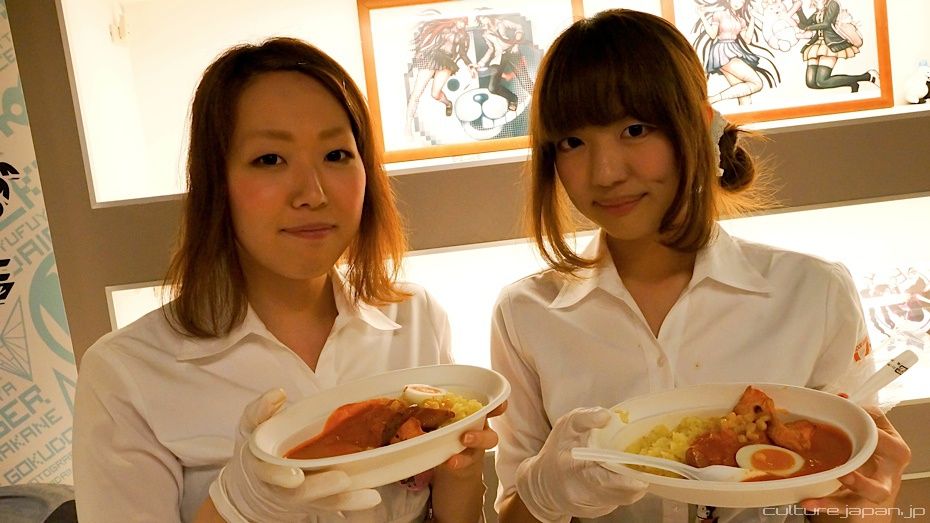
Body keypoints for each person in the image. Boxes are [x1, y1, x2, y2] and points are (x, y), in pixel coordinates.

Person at [490, 9, 910, 523]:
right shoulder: (525, 313)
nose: (605, 173)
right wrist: (547, 492)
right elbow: (512, 510)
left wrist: (868, 509)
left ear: (699, 124)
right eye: (572, 142)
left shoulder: (814, 293)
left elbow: (849, 493)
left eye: (635, 129)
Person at [73, 37, 500, 523]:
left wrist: (462, 468)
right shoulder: (127, 373)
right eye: (270, 159)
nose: (312, 193)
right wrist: (239, 504)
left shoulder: (415, 317)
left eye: (336, 154)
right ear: (217, 183)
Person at [797, 0, 878, 92]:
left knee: (821, 82)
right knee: (811, 83)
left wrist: (808, 28)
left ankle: (868, 76)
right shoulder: (818, 9)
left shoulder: (833, 4)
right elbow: (805, 24)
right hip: (816, 44)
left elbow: (826, 24)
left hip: (830, 44)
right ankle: (852, 82)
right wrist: (799, 10)